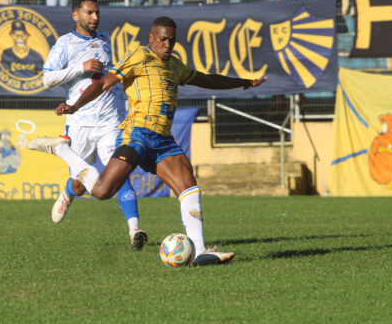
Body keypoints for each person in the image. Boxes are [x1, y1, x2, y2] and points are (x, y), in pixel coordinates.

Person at [55, 16, 267, 265]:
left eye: (172, 41)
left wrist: (245, 82)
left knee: (188, 186)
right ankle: (62, 150)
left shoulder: (175, 66)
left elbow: (208, 80)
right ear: (152, 39)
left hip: (163, 140)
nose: (168, 45)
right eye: (163, 39)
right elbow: (102, 83)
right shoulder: (139, 56)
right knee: (102, 192)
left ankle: (198, 251)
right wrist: (74, 105)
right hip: (138, 135)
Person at [27, 0, 147, 250]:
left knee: (119, 173)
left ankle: (135, 230)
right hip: (80, 122)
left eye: (97, 13)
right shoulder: (65, 44)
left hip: (110, 122)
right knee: (81, 186)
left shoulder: (104, 39)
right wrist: (81, 67)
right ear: (75, 15)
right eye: (89, 13)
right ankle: (68, 193)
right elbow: (47, 79)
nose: (95, 17)